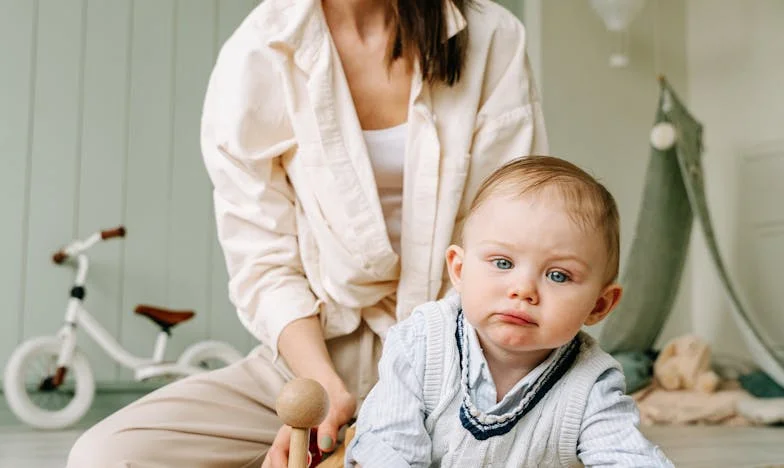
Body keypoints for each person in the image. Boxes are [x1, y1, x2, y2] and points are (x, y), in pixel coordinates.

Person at [66, 0, 547, 466]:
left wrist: (404, 406)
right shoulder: (257, 52)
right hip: (319, 351)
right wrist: (323, 394)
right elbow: (265, 263)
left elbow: (513, 231)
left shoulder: (490, 36)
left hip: (469, 352)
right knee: (105, 456)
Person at [345, 156, 675, 467]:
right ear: (459, 270)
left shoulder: (590, 382)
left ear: (599, 305)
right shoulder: (422, 344)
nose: (523, 290)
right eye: (503, 263)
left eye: (558, 275)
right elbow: (388, 450)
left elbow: (627, 455)